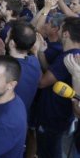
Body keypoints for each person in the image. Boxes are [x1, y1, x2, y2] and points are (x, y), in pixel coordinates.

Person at [36, 17, 80, 157]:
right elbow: (52, 73)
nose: (58, 31)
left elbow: (42, 82)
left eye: (60, 28)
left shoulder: (68, 58)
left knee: (49, 152)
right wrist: (41, 53)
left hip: (53, 116)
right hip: (61, 115)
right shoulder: (69, 55)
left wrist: (32, 53)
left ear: (66, 33)